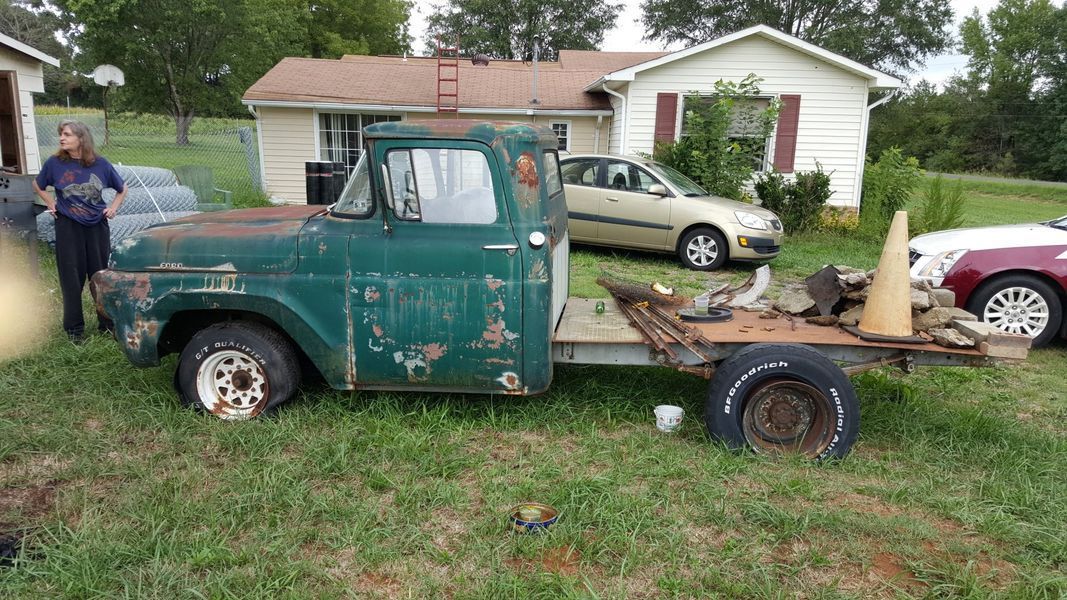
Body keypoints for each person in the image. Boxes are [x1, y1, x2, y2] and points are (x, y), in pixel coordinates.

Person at [33, 120, 128, 343]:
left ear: (81, 138)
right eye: (61, 134)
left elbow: (122, 188)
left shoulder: (100, 164)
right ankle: (74, 331)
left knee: (99, 277)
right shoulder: (55, 163)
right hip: (68, 227)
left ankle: (106, 324)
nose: (61, 138)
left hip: (96, 227)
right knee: (71, 278)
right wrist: (50, 203)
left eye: (66, 134)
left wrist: (112, 209)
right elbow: (38, 185)